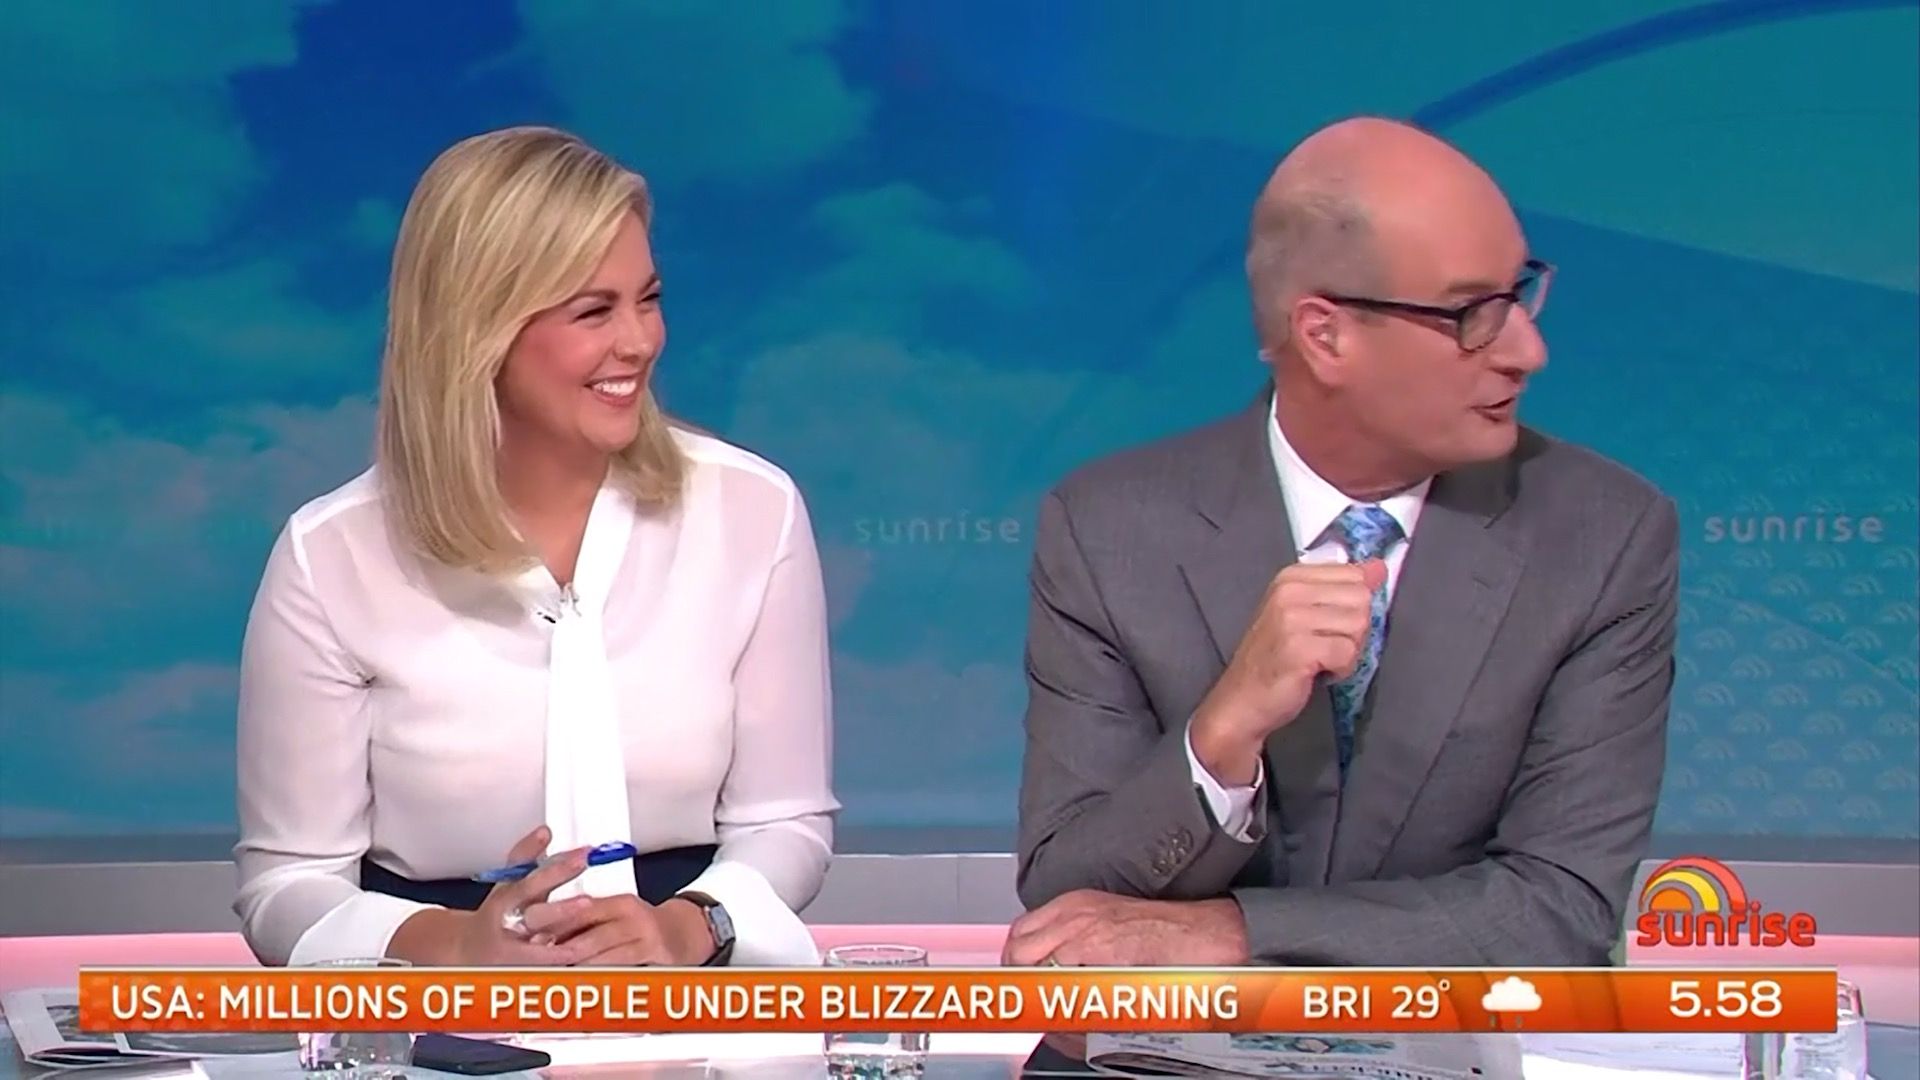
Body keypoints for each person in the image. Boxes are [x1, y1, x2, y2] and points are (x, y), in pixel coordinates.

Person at [1006, 117, 1677, 968]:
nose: (1527, 350)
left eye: (1519, 293)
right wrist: (1224, 730)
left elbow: (1561, 909)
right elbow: (1067, 902)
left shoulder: (1604, 534)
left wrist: (1237, 932)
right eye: (1472, 312)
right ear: (1325, 336)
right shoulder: (1109, 529)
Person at [234, 126, 838, 968]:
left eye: (648, 299)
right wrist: (454, 947)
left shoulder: (751, 511)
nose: (639, 341)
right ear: (479, 330)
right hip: (439, 1012)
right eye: (594, 311)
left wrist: (690, 926)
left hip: (689, 992)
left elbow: (786, 822)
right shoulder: (331, 556)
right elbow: (288, 882)